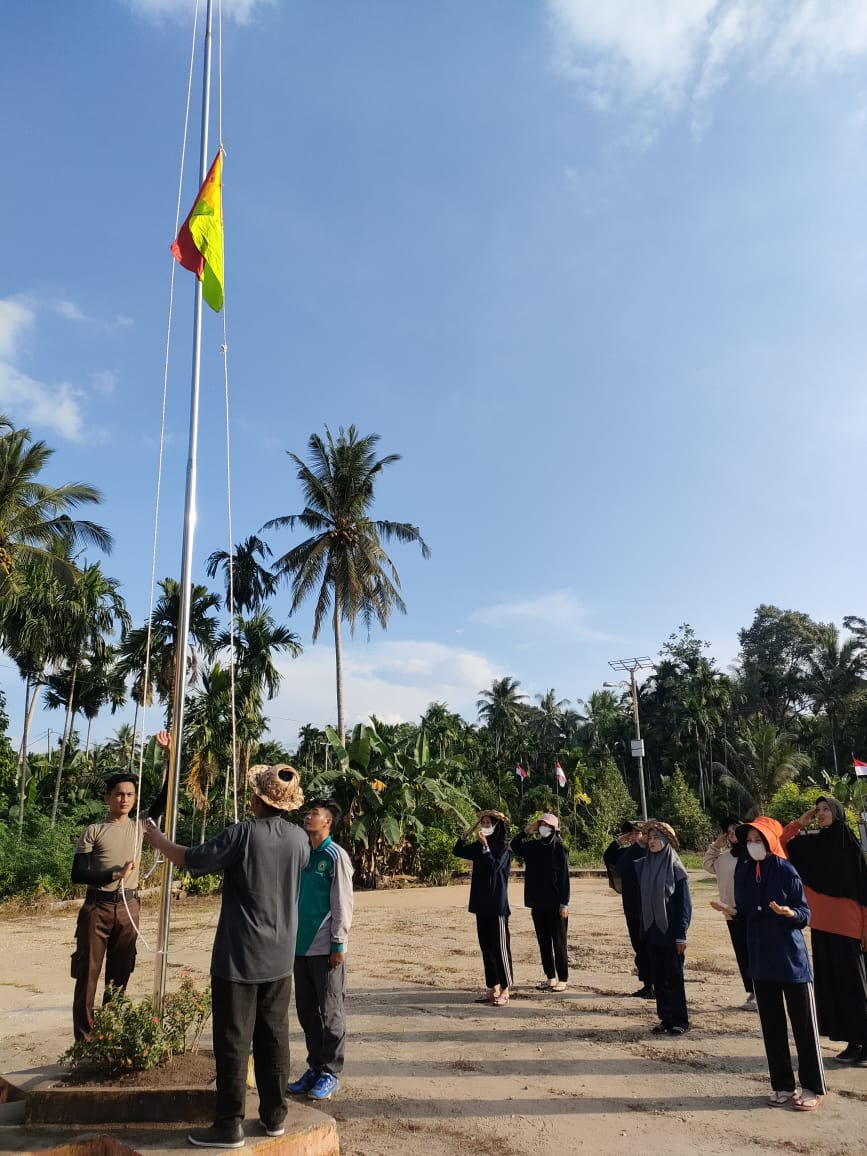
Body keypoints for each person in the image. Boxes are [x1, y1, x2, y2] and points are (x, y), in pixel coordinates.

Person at [144, 763, 309, 1149]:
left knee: (234, 1042)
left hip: (239, 958)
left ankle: (229, 1123)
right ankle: (274, 1116)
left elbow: (193, 859)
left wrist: (158, 840)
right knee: (274, 1038)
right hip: (280, 958)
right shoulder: (301, 840)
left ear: (257, 798)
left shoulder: (244, 834)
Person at [713, 816, 826, 1110]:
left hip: (790, 962)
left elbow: (805, 914)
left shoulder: (786, 871)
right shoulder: (744, 872)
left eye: (758, 840)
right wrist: (731, 912)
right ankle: (782, 1085)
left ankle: (812, 1087)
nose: (752, 846)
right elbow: (746, 914)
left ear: (771, 840)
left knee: (803, 1027)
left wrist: (790, 914)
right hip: (761, 961)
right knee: (771, 1027)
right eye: (749, 840)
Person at [781, 796, 867, 1068]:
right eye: (817, 810)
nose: (820, 813)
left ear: (838, 812)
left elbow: (863, 887)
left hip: (848, 924)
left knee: (854, 986)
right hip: (821, 924)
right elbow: (781, 844)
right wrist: (799, 823)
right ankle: (853, 1042)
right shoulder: (815, 842)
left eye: (826, 809)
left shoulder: (847, 842)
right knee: (833, 987)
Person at [287, 798, 354, 1102]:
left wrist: (338, 943)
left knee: (330, 1012)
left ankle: (330, 1071)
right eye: (308, 812)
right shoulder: (302, 854)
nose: (308, 816)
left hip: (325, 947)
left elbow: (343, 902)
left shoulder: (335, 855)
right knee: (306, 1012)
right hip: (299, 948)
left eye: (314, 813)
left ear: (328, 821)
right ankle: (314, 1067)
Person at [70, 771, 143, 1042]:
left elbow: (164, 798)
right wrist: (115, 874)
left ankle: (110, 1035)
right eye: (119, 794)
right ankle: (85, 1041)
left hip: (128, 907)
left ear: (134, 798)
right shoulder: (94, 830)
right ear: (107, 797)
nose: (124, 799)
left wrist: (170, 756)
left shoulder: (139, 827)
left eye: (129, 794)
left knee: (120, 974)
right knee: (87, 974)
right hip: (97, 908)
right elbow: (78, 874)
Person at [635, 820, 692, 1034]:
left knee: (674, 977)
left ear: (667, 841)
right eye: (649, 838)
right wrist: (636, 842)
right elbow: (620, 865)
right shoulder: (645, 864)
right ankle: (665, 1019)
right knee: (658, 977)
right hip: (651, 931)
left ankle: (680, 1020)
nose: (652, 841)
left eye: (657, 837)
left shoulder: (676, 867)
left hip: (671, 931)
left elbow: (684, 904)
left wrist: (681, 935)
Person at [454, 810, 513, 1006]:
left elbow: (494, 868)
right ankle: (493, 986)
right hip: (481, 904)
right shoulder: (478, 846)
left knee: (500, 948)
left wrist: (486, 847)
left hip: (497, 905)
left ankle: (505, 988)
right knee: (486, 948)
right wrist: (467, 833)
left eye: (488, 822)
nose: (485, 825)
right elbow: (457, 850)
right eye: (483, 822)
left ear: (497, 825)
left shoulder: (504, 848)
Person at [511, 812, 570, 991]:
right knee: (543, 942)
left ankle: (563, 978)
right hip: (537, 903)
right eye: (541, 825)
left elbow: (564, 878)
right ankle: (550, 977)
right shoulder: (533, 846)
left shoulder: (560, 848)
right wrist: (526, 831)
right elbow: (514, 845)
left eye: (547, 825)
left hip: (556, 904)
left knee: (559, 943)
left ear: (554, 829)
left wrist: (564, 903)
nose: (544, 828)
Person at [704, 816, 755, 1009]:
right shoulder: (724, 858)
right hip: (730, 912)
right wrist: (716, 844)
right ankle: (752, 991)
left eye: (736, 830)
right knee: (742, 952)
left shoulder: (754, 854)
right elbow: (708, 864)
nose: (733, 835)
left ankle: (762, 989)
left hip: (751, 911)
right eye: (729, 832)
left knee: (755, 951)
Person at [603, 820, 653, 998]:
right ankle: (647, 983)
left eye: (636, 832)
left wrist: (641, 844)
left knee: (651, 945)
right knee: (638, 944)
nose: (633, 836)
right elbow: (609, 856)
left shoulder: (652, 852)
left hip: (649, 906)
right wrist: (620, 840)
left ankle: (656, 984)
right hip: (631, 905)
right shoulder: (627, 853)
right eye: (630, 833)